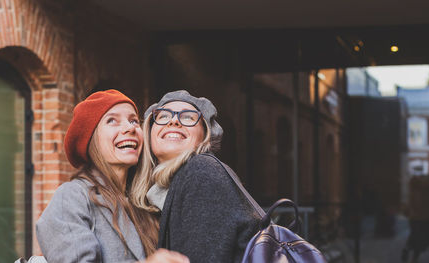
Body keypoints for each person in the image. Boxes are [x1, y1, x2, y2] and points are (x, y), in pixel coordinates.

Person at [36, 90, 189, 263]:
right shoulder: (72, 196)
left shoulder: (145, 203)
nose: (130, 128)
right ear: (91, 139)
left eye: (133, 120)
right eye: (112, 121)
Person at [131, 90, 262, 263]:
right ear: (149, 132)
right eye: (163, 116)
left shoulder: (201, 172)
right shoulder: (174, 188)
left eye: (188, 117)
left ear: (204, 137)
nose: (174, 121)